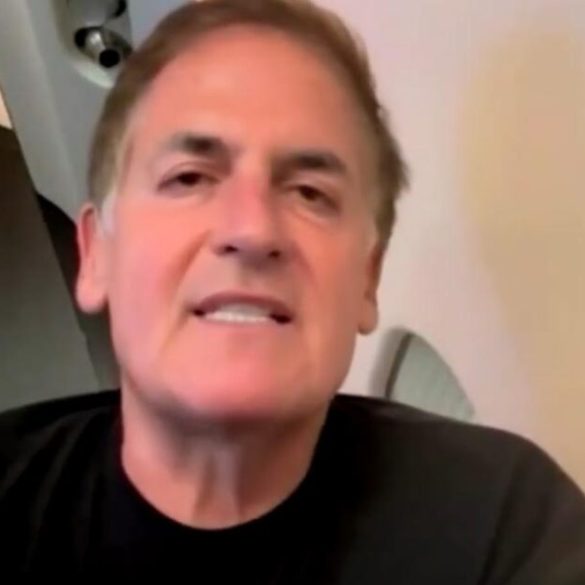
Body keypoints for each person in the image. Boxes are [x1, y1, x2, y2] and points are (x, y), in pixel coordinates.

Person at [1, 0, 584, 580]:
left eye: (310, 193)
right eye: (189, 178)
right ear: (96, 254)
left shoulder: (506, 525)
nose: (252, 230)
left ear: (367, 278)